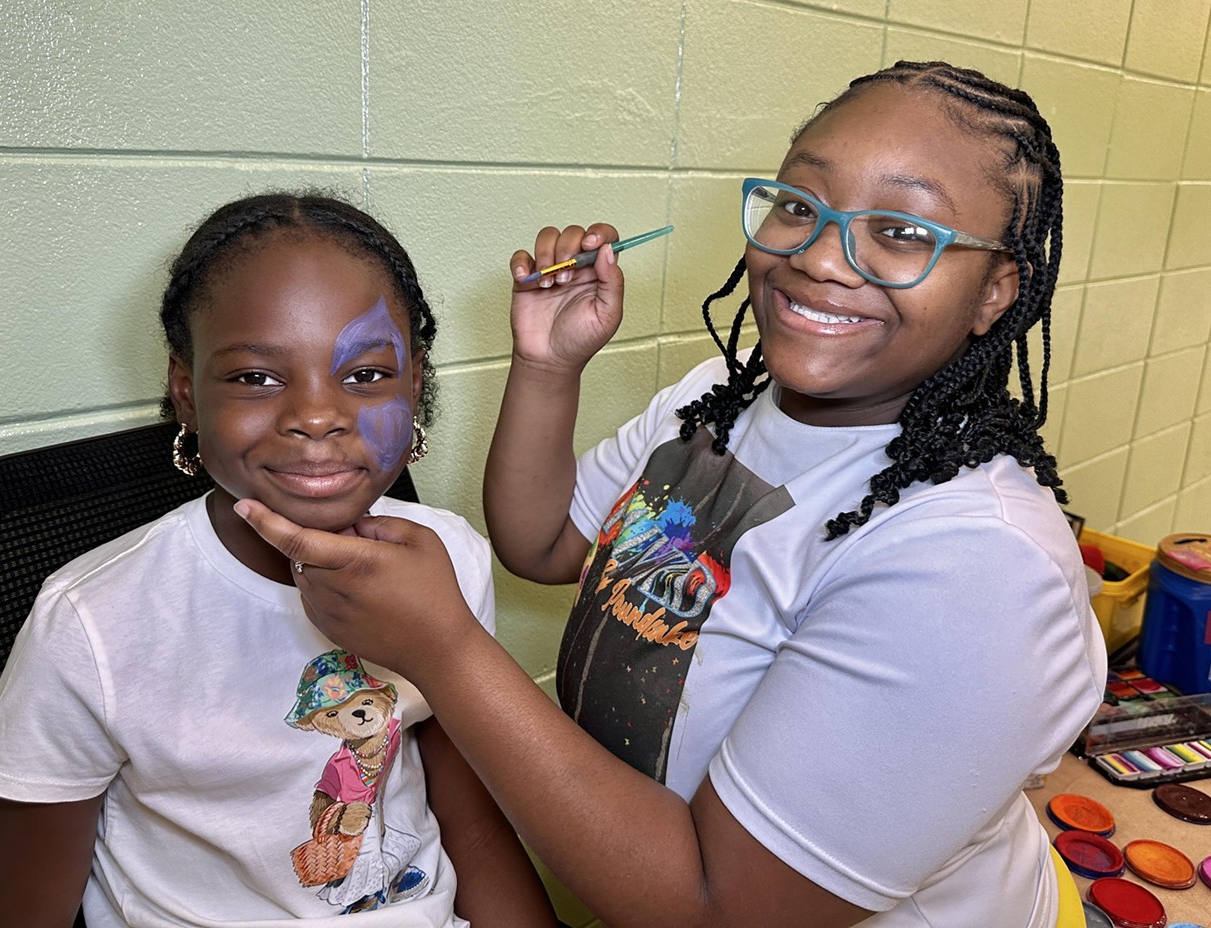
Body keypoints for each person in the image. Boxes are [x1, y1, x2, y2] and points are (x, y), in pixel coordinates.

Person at [237, 62, 1106, 928]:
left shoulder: (978, 570)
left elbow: (718, 911)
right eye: (799, 205)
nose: (822, 255)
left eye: (903, 230)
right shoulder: (718, 400)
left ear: (997, 290)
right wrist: (546, 365)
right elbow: (543, 544)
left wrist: (446, 652)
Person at [0, 192, 558, 928]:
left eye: (368, 375)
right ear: (187, 392)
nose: (316, 415)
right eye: (256, 377)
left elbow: (467, 824)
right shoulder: (92, 624)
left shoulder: (452, 560)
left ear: (414, 385)